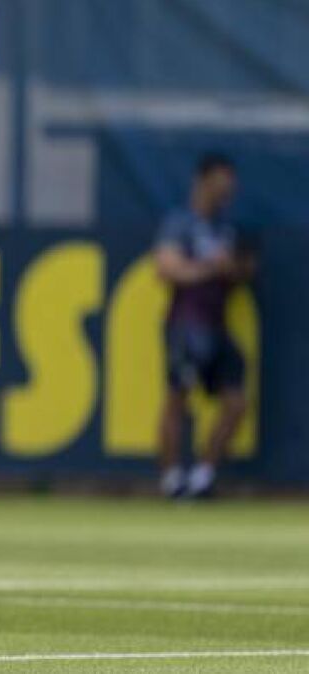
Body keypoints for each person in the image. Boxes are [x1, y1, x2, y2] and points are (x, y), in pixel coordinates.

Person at [153, 152, 254, 499]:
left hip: (218, 325)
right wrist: (211, 266)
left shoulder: (227, 228)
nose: (227, 190)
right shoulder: (180, 223)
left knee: (236, 402)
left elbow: (242, 272)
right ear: (203, 181)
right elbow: (166, 268)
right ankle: (171, 478)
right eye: (221, 182)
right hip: (186, 324)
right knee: (177, 397)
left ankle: (203, 475)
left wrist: (237, 268)